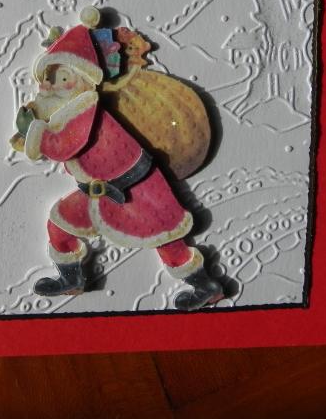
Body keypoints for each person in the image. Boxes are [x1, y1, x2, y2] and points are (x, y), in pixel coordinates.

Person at [13, 22, 223, 310]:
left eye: (62, 78)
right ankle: (71, 278)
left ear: (84, 80)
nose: (51, 85)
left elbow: (64, 146)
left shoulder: (85, 108)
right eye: (49, 78)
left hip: (138, 190)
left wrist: (33, 131)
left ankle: (205, 285)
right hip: (99, 194)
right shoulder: (69, 110)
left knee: (166, 238)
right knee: (59, 222)